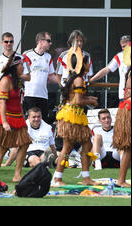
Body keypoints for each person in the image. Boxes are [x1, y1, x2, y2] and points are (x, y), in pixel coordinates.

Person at [0, 54, 32, 184]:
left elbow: (29, 78)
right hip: (5, 117)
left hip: (18, 116)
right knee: (3, 146)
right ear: (14, 67)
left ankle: (17, 175)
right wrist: (4, 123)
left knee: (25, 143)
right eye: (21, 65)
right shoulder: (5, 81)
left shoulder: (17, 80)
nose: (23, 67)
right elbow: (2, 103)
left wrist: (22, 117)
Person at [52, 45, 100, 186]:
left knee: (87, 144)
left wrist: (89, 98)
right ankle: (57, 178)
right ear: (82, 64)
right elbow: (78, 101)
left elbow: (75, 98)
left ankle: (86, 178)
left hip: (76, 116)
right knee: (67, 147)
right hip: (71, 116)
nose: (89, 64)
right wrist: (90, 100)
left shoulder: (78, 79)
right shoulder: (78, 80)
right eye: (87, 62)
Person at [22, 32, 59, 124]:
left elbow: (51, 76)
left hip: (43, 95)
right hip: (30, 95)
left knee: (43, 123)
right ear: (41, 41)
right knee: (30, 123)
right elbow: (22, 74)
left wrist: (63, 83)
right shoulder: (27, 54)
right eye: (48, 41)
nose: (50, 43)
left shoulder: (48, 56)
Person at [90, 35, 131, 102]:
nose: (125, 48)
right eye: (123, 46)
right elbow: (106, 70)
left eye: (127, 45)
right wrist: (91, 80)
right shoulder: (119, 56)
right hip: (124, 95)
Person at [112, 68, 130, 188]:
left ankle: (121, 180)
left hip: (126, 108)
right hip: (129, 110)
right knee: (128, 147)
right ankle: (121, 180)